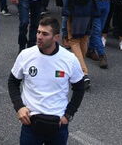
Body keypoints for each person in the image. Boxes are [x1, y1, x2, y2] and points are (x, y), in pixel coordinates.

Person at [8, 16, 87, 145]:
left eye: (45, 34)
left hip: (58, 125)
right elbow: (13, 82)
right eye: (38, 32)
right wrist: (19, 107)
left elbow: (79, 88)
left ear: (56, 37)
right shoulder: (25, 55)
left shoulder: (70, 59)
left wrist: (68, 115)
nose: (39, 36)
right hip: (30, 124)